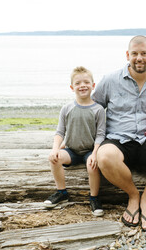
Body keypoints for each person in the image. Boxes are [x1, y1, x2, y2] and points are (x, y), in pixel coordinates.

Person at [92, 36, 146, 231]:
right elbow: (94, 110)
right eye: (135, 53)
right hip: (118, 139)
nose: (139, 58)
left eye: (144, 53)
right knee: (104, 156)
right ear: (127, 55)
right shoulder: (110, 80)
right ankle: (133, 196)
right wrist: (92, 145)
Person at [44, 66, 106, 217]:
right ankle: (61, 192)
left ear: (93, 85)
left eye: (86, 82)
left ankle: (94, 198)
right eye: (78, 83)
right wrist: (55, 149)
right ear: (72, 87)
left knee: (92, 166)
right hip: (71, 150)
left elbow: (100, 135)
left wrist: (95, 154)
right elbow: (60, 132)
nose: (82, 85)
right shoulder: (67, 108)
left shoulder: (98, 110)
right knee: (54, 158)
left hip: (89, 150)